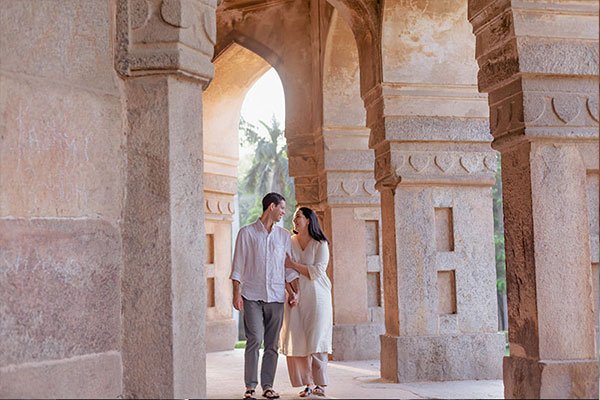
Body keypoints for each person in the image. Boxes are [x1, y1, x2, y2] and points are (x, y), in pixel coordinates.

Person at [230, 192, 299, 400]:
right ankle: (250, 387)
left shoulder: (284, 236)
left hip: (277, 296)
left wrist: (294, 293)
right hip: (252, 295)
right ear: (271, 207)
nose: (283, 212)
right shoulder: (246, 233)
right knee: (254, 339)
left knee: (272, 344)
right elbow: (238, 266)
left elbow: (287, 270)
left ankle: (268, 386)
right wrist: (236, 293)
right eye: (282, 208)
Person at [280, 207, 332, 398]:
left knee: (316, 338)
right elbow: (283, 268)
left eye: (298, 217)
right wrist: (292, 291)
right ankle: (307, 384)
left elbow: (317, 271)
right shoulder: (290, 241)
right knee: (298, 338)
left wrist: (293, 264)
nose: (295, 220)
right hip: (294, 295)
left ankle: (320, 384)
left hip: (318, 295)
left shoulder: (320, 244)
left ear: (309, 220)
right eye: (294, 218)